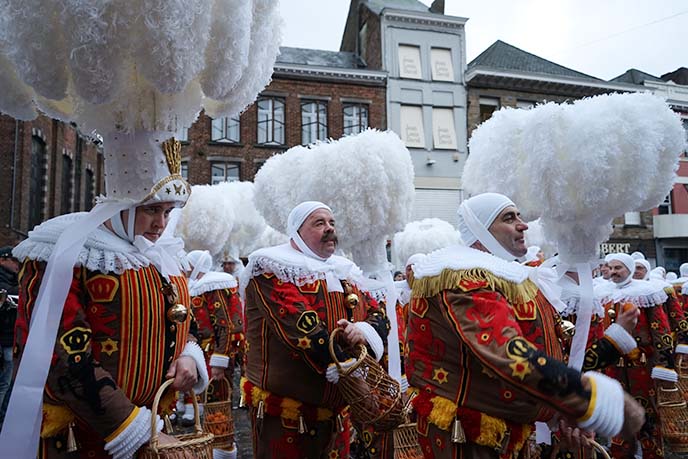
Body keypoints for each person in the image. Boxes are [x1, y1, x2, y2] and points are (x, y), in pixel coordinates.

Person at [10, 136, 208, 459]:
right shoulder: (70, 252)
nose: (161, 224)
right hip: (87, 437)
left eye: (168, 212)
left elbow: (184, 318)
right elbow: (64, 357)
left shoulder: (159, 256)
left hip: (153, 429)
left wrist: (189, 354)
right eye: (152, 210)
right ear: (123, 206)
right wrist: (134, 428)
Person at [407, 193, 644, 459]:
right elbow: (507, 352)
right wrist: (588, 399)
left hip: (506, 430)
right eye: (509, 218)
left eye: (519, 216)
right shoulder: (465, 276)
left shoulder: (502, 276)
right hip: (467, 433)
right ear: (481, 228)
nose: (523, 224)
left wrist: (558, 413)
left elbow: (544, 347)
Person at [240, 201, 390, 459]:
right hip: (288, 413)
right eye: (319, 223)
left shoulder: (344, 272)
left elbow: (379, 314)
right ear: (297, 231)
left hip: (337, 411)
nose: (329, 229)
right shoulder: (272, 268)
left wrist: (362, 330)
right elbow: (301, 329)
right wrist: (351, 374)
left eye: (332, 223)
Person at [602, 253, 684, 459]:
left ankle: (651, 453)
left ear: (628, 269)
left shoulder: (646, 293)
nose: (613, 272)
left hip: (642, 364)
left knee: (646, 412)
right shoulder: (601, 293)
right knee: (616, 411)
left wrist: (665, 365)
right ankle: (621, 453)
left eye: (618, 268)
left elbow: (661, 330)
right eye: (610, 268)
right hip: (613, 365)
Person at [181, 250, 244, 431]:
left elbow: (225, 324)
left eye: (190, 266)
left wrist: (220, 358)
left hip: (215, 351)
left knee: (218, 401)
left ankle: (222, 443)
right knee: (208, 399)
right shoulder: (197, 285)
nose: (187, 269)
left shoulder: (213, 285)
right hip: (203, 351)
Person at [0, 246, 19, 428]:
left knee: (7, 385)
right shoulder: (4, 282)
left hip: (9, 340)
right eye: (13, 260)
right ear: (2, 260)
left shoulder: (15, 281)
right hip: (4, 340)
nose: (16, 264)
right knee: (4, 385)